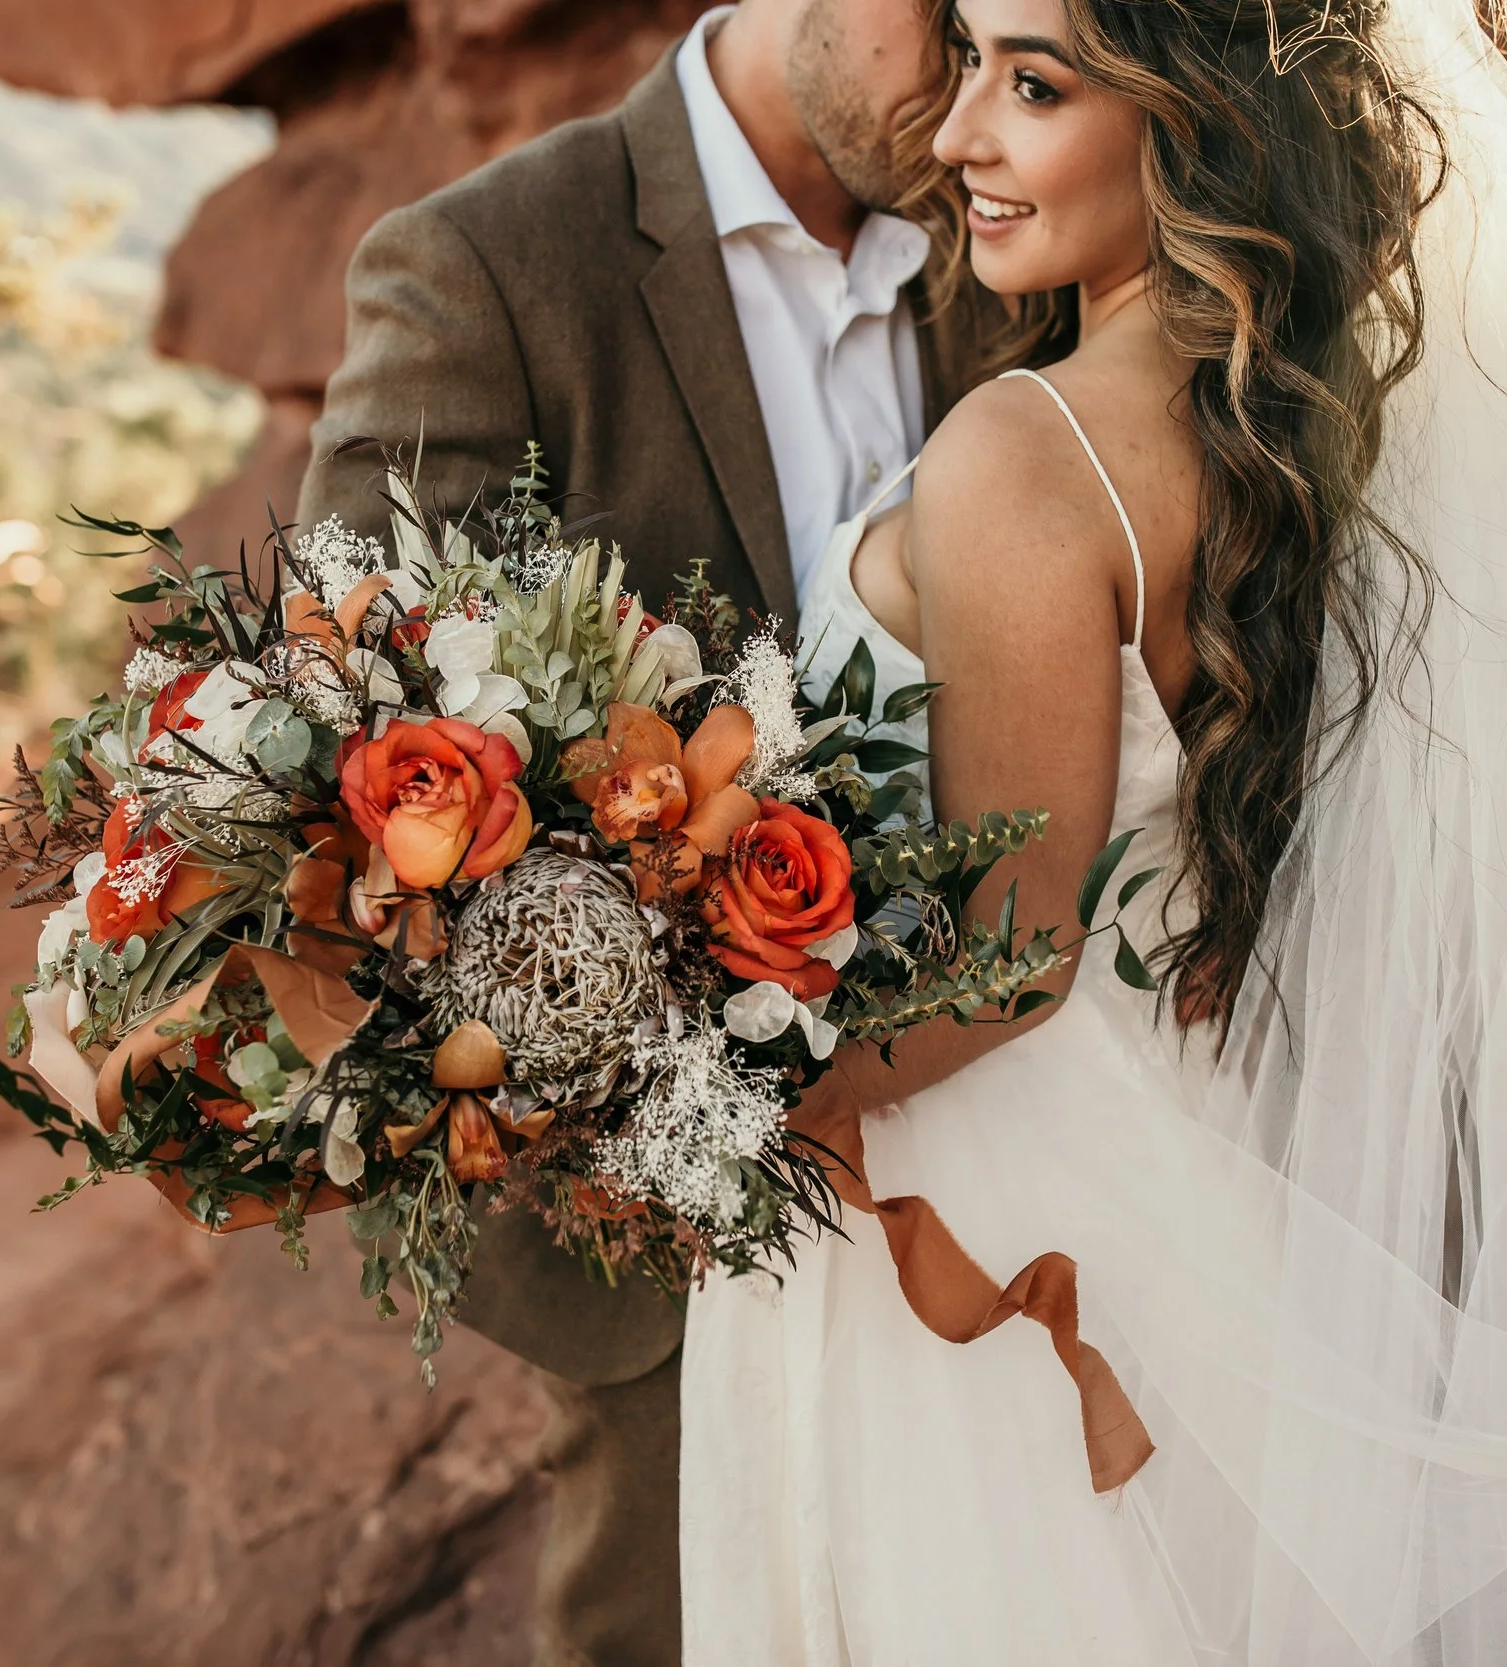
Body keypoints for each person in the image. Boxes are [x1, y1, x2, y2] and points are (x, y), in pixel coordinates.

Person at [679, 0, 1507, 1662]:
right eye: (967, 53)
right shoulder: (1287, 425)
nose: (962, 131)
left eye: (1033, 83)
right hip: (1191, 1172)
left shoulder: (1022, 457)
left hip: (970, 1220)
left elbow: (1012, 958)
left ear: (1191, 120)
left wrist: (688, 1089)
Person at [289, 2, 1007, 1660]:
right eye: (945, 23)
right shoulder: (487, 262)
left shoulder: (1000, 225)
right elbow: (346, 745)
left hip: (1001, 1145)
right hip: (665, 1233)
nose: (976, 89)